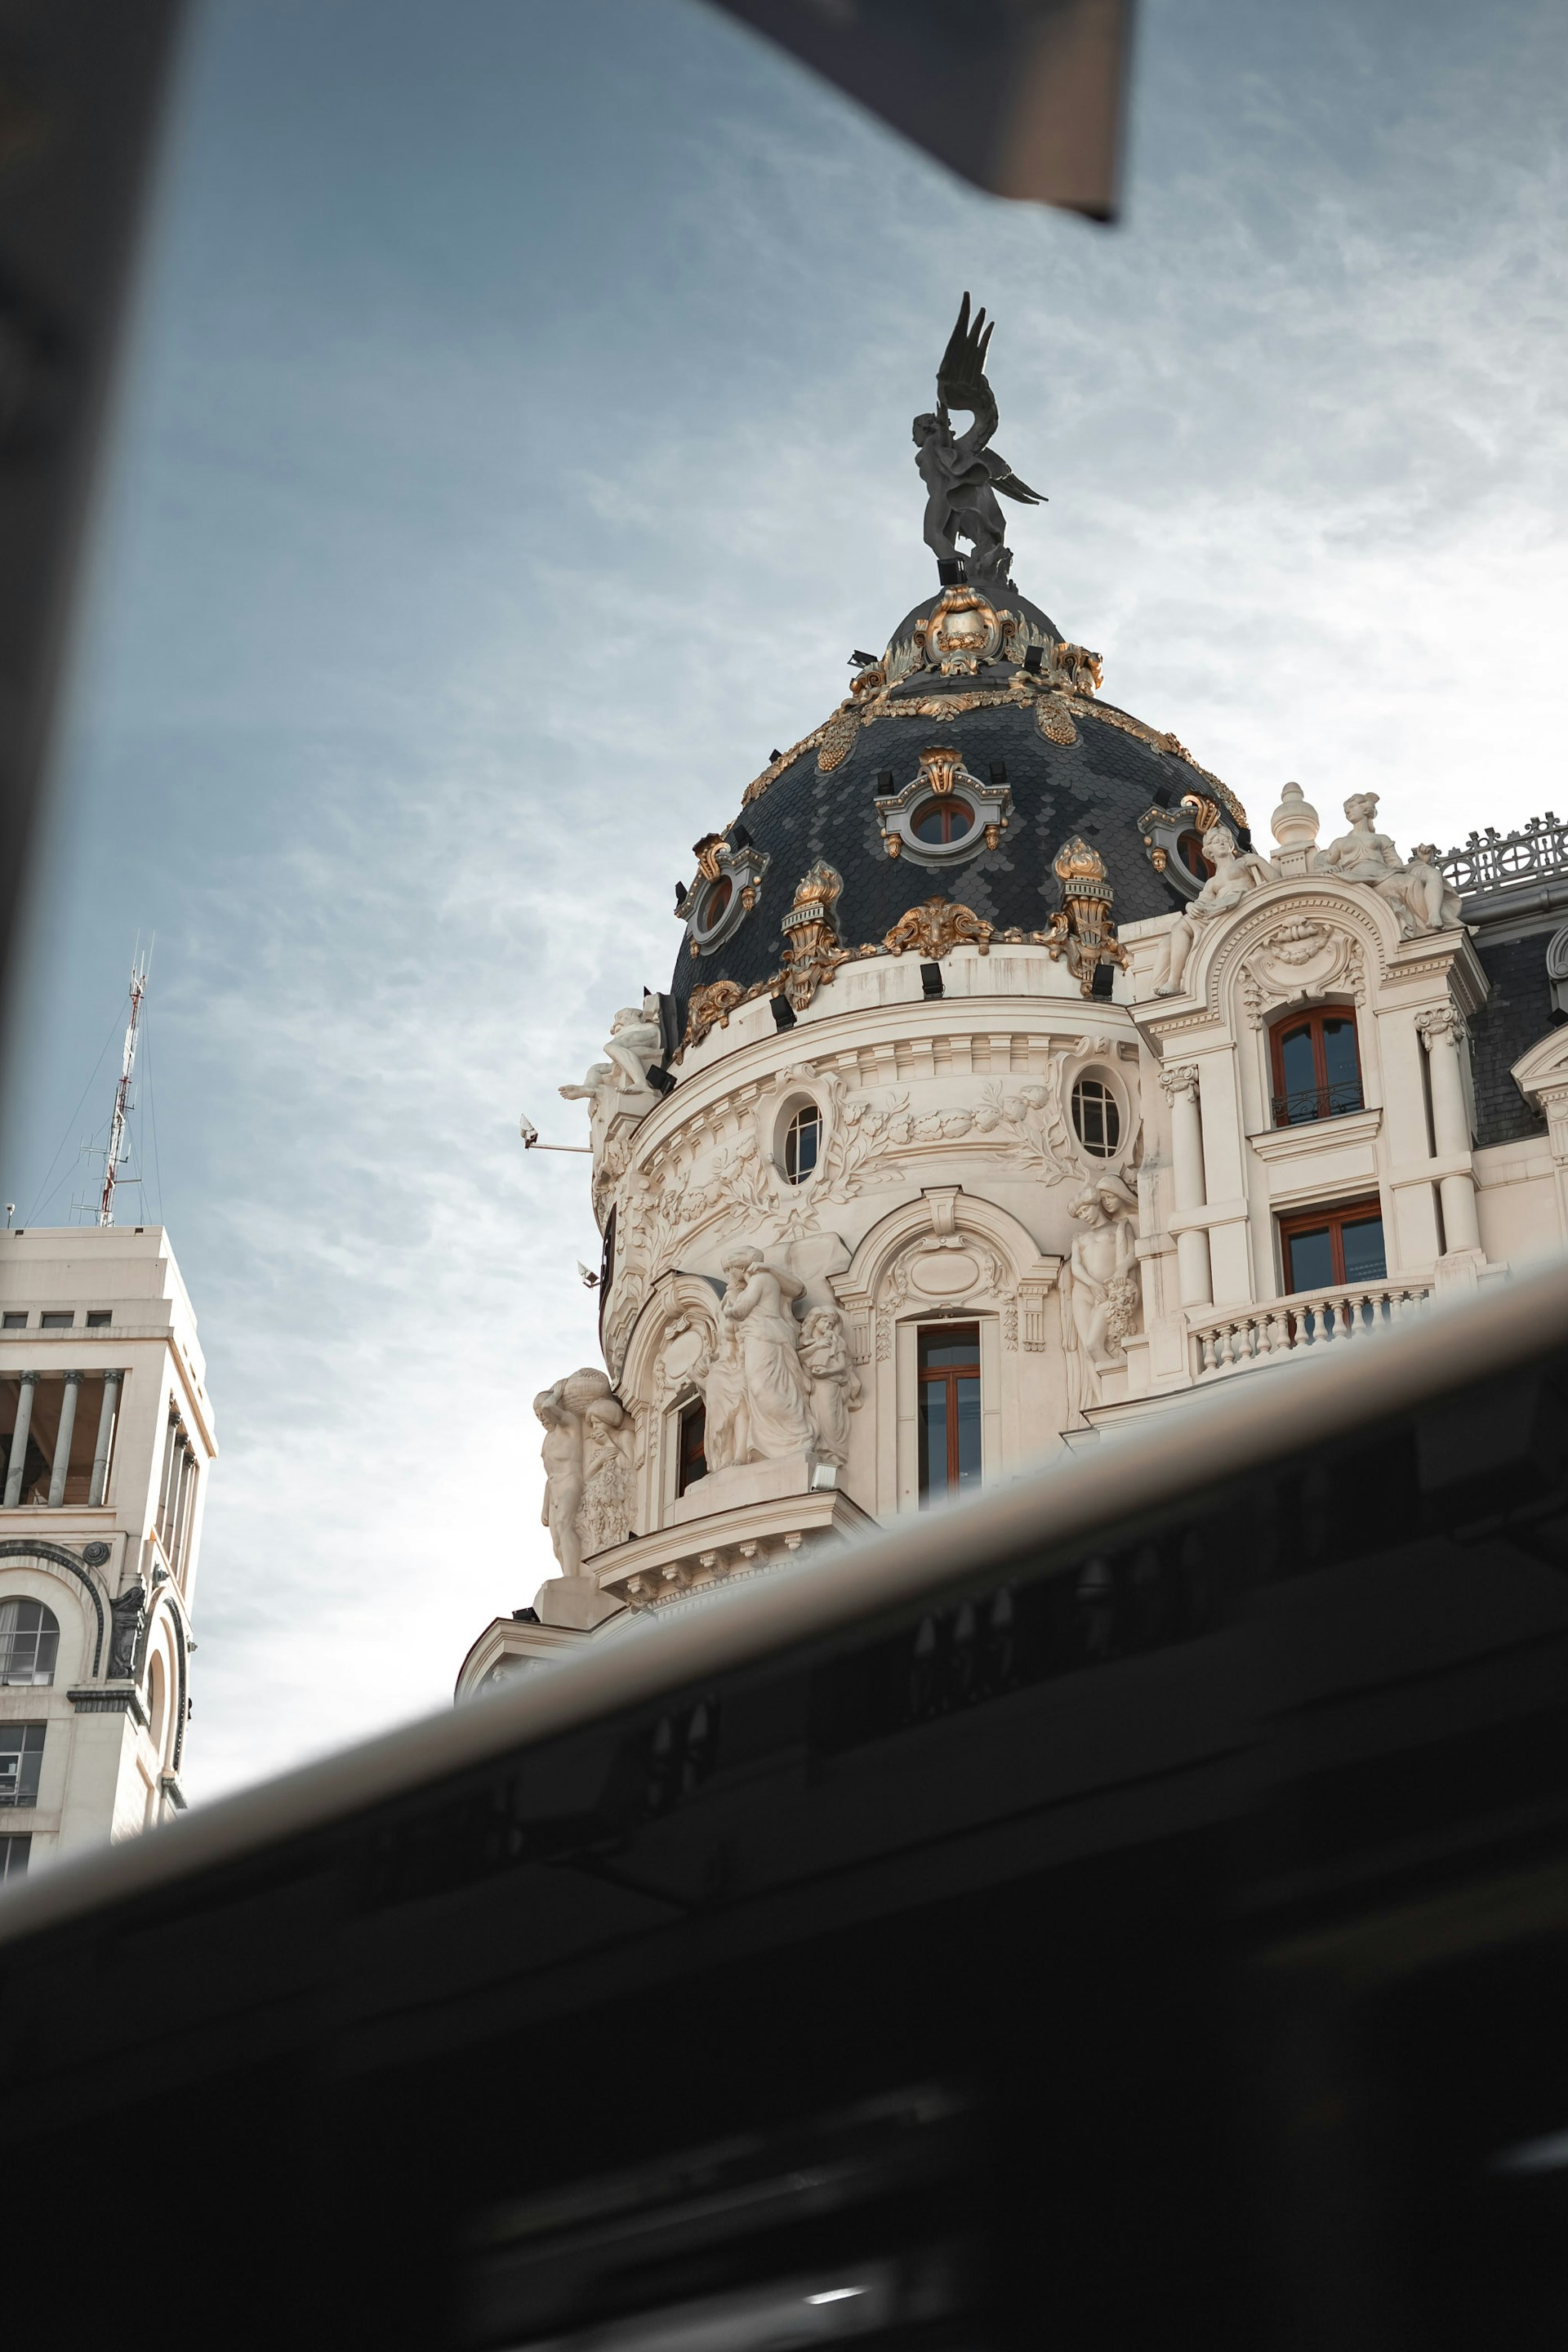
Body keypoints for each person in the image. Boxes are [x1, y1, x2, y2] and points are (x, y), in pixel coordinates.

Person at [1155, 824, 1274, 996]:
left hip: (1241, 906)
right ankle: (1174, 981)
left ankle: (1174, 981)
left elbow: (1275, 882)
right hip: (1218, 912)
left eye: (1225, 840)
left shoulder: (1244, 863)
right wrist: (1190, 906)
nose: (1222, 843)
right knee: (1178, 928)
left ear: (1231, 844)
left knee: (1181, 927)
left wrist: (1259, 861)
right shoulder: (1212, 882)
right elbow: (1202, 904)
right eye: (1217, 841)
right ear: (1209, 851)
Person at [719, 1245, 816, 1460]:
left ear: (740, 1266)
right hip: (762, 1338)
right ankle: (779, 1442)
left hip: (765, 1338)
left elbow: (740, 1311)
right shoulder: (761, 1280)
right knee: (765, 1388)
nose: (728, 1275)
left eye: (729, 1269)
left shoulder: (760, 1280)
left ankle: (798, 1434)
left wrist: (728, 1302)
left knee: (763, 1388)